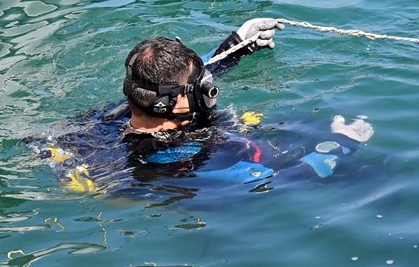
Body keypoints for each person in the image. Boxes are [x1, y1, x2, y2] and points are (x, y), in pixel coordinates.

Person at [32, 19, 375, 196]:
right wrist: (342, 145)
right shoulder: (189, 162)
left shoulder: (111, 118)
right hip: (239, 188)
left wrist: (236, 46)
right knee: (370, 171)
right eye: (201, 84)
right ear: (181, 100)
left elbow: (176, 85)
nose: (208, 86)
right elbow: (283, 181)